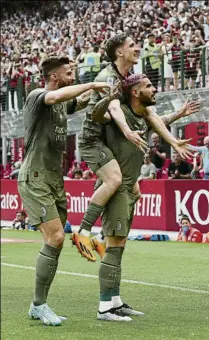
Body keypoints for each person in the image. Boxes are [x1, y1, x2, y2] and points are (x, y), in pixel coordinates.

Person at [17, 55, 111, 326]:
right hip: (35, 177)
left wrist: (105, 90)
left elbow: (79, 102)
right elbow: (60, 97)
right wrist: (92, 84)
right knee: (56, 237)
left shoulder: (62, 102)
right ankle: (39, 304)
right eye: (69, 73)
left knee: (56, 242)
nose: (73, 77)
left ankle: (38, 304)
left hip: (54, 180)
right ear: (55, 77)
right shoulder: (38, 96)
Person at [90, 73, 193, 321]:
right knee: (113, 247)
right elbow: (98, 115)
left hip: (128, 186)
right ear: (135, 92)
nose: (154, 89)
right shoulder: (118, 113)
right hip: (115, 186)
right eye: (148, 86)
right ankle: (105, 306)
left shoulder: (142, 115)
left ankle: (114, 301)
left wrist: (177, 115)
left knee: (119, 246)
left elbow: (158, 121)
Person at [72, 33, 148, 261]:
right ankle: (83, 232)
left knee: (134, 192)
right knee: (114, 180)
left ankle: (102, 236)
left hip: (109, 142)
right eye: (132, 44)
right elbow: (114, 109)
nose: (138, 47)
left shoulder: (128, 76)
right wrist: (127, 131)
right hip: (93, 140)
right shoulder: (109, 76)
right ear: (119, 52)